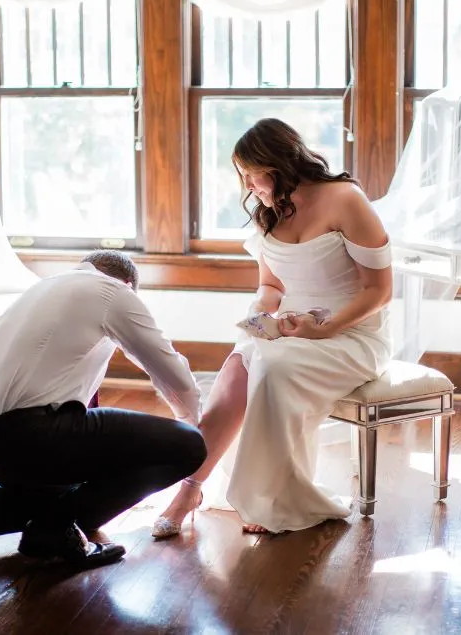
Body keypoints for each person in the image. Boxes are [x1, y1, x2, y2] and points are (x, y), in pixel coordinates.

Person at [152, 118, 393, 537]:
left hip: (351, 335)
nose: (247, 185)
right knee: (235, 369)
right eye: (241, 175)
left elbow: (380, 291)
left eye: (251, 173)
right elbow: (271, 286)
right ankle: (189, 489)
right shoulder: (270, 213)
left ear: (277, 162)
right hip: (291, 331)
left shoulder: (345, 200)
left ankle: (272, 497)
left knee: (273, 367)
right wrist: (262, 317)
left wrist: (324, 328)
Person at [0, 250, 207, 567]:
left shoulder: (44, 287)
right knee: (188, 446)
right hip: (29, 438)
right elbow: (171, 373)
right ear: (127, 284)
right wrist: (192, 422)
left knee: (72, 491)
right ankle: (53, 529)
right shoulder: (114, 293)